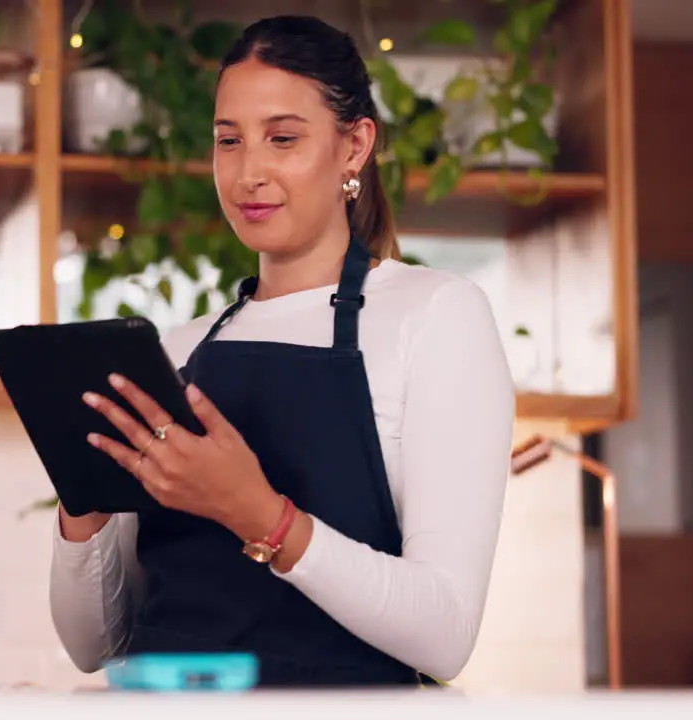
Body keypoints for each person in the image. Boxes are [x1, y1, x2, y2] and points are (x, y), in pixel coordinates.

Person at [50, 15, 514, 688]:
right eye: (228, 141)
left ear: (354, 146)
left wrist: (259, 515)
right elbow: (97, 643)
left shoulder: (437, 315)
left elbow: (445, 637)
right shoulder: (179, 348)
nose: (248, 173)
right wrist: (81, 506)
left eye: (283, 139)